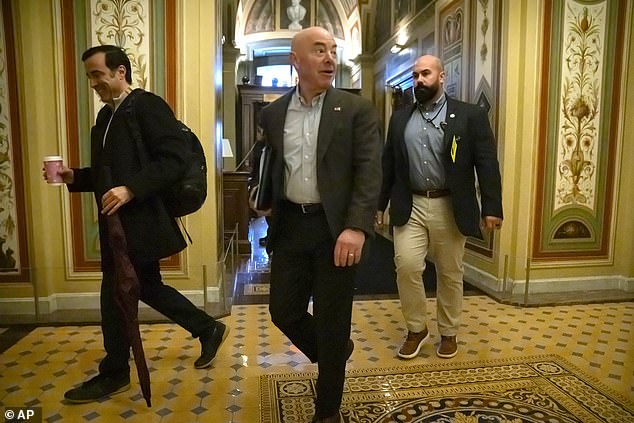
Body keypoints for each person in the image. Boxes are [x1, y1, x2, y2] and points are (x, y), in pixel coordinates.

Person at [46, 45, 228, 403]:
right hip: (118, 224)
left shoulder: (147, 106)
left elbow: (174, 160)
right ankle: (207, 327)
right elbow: (105, 175)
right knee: (144, 286)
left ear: (120, 72)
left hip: (141, 221)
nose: (93, 82)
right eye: (89, 76)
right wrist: (73, 176)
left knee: (116, 294)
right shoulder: (105, 118)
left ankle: (114, 373)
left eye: (98, 74)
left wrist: (132, 189)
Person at [255, 27, 382, 423]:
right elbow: (274, 164)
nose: (329, 59)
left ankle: (327, 411)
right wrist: (263, 197)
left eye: (332, 51)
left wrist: (357, 227)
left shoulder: (355, 109)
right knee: (283, 310)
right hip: (291, 226)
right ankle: (334, 352)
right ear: (296, 60)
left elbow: (369, 171)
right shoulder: (273, 113)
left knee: (332, 320)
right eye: (318, 51)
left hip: (336, 230)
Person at [377, 55, 503, 360]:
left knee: (449, 273)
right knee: (406, 266)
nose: (419, 80)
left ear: (442, 77)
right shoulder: (400, 119)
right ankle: (417, 329)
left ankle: (448, 332)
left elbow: (486, 163)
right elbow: (389, 165)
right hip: (411, 204)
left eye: (426, 74)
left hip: (450, 204)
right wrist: (378, 206)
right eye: (415, 75)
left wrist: (492, 206)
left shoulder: (469, 116)